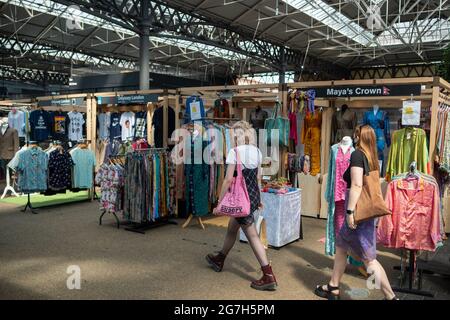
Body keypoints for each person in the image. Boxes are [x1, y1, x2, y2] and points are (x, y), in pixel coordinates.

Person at [315, 125, 398, 300]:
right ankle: (333, 286)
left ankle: (391, 297)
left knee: (369, 260)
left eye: (356, 134)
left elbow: (357, 185)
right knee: (341, 246)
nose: (354, 137)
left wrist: (350, 212)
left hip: (357, 214)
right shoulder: (371, 157)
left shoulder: (357, 155)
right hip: (364, 214)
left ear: (359, 137)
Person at [206, 121, 277, 291]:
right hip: (251, 197)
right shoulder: (257, 152)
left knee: (252, 237)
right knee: (232, 228)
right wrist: (258, 198)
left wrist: (219, 202)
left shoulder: (234, 152)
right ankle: (220, 258)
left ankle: (268, 275)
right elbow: (259, 178)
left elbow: (228, 179)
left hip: (240, 200)